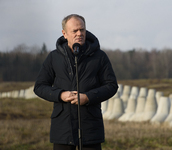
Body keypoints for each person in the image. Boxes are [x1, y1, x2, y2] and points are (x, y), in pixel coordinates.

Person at [34, 14, 118, 150]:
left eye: (82, 30)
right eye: (75, 31)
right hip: (63, 129)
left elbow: (111, 85)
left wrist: (88, 97)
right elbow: (39, 87)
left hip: (90, 128)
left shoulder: (99, 56)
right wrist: (60, 95)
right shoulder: (53, 57)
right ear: (64, 34)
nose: (79, 33)